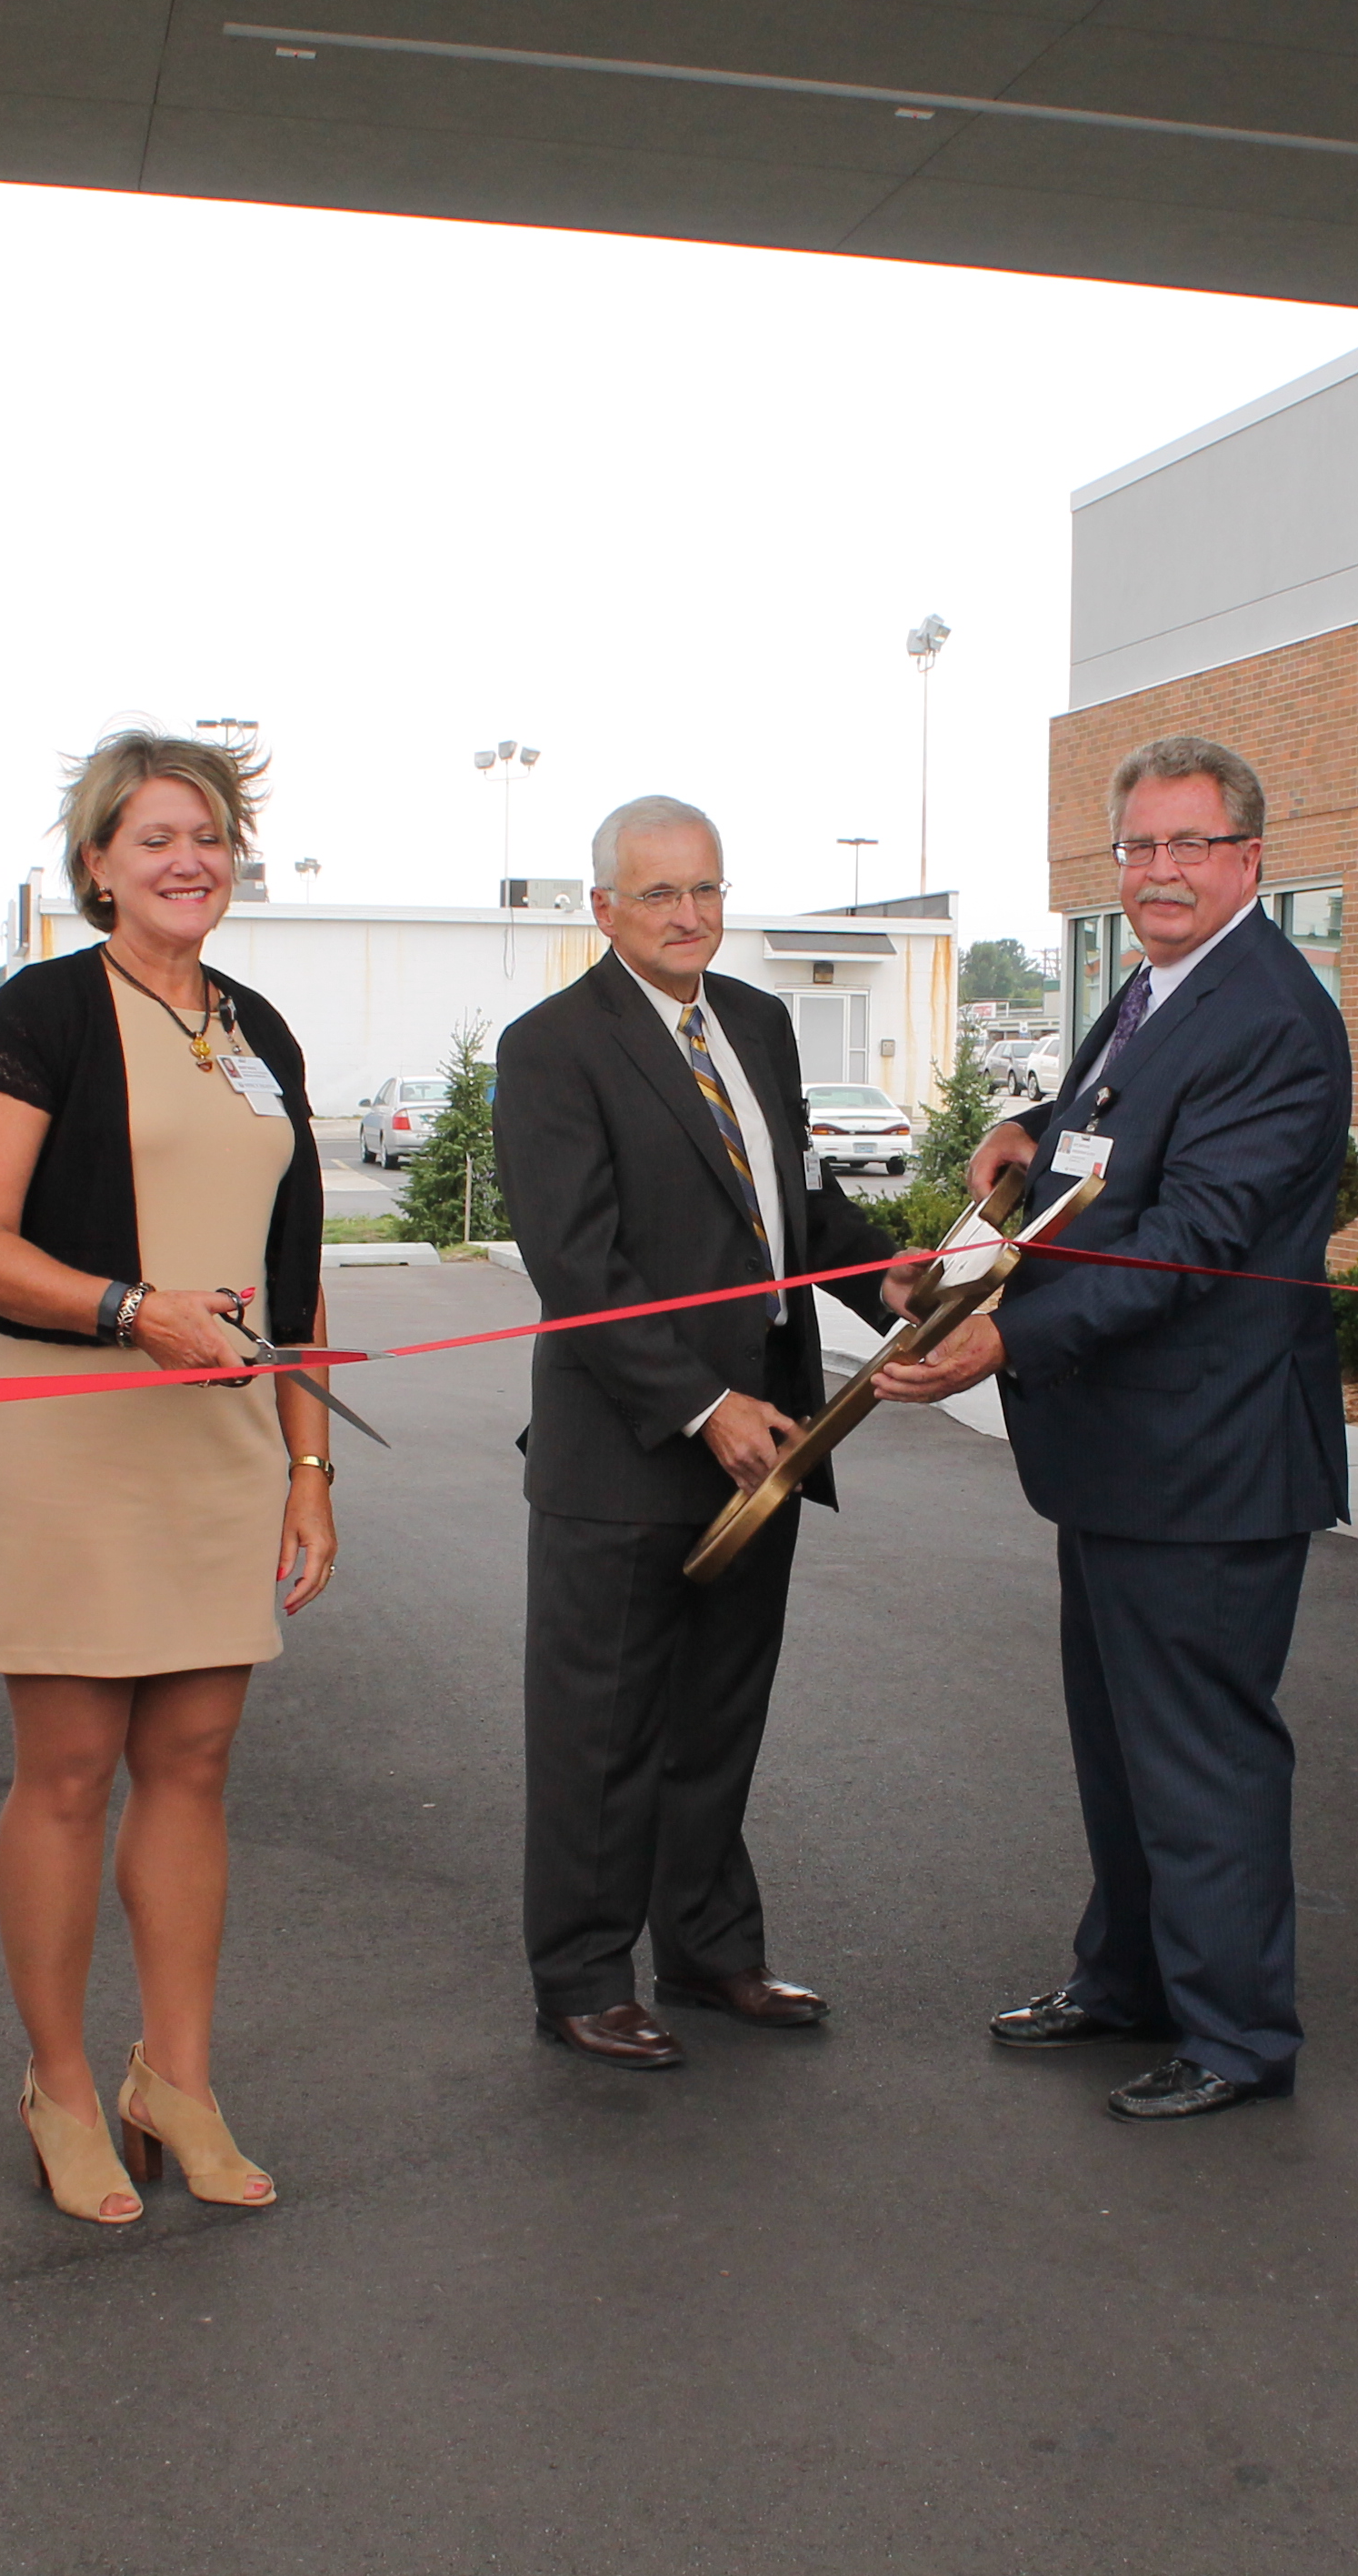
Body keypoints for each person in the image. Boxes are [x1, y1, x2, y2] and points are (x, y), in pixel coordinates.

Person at [877, 736, 1351, 2122]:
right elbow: (1123, 1138)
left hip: (1208, 1459)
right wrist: (1030, 1122)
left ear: (1249, 860)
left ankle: (1239, 2035)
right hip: (1128, 1455)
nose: (1160, 872)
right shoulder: (1157, 990)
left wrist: (1002, 1336)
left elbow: (1197, 1236)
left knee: (1201, 1749)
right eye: (1139, 848)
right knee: (1122, 1739)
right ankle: (1133, 1975)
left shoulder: (1266, 1010)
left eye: (1190, 846)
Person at [0, 731, 333, 2216]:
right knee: (71, 1770)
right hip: (73, 1420)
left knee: (195, 1763)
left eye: (211, 835)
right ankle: (54, 2083)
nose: (190, 860)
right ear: (96, 860)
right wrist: (130, 1308)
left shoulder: (256, 1028)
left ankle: (176, 2076)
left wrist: (310, 1468)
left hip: (221, 1436)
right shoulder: (42, 1009)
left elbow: (295, 1273)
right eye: (156, 836)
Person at [492, 794, 890, 2070]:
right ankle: (582, 1975)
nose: (689, 916)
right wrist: (703, 1405)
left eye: (706, 890)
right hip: (630, 1453)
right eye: (659, 894)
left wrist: (900, 1286)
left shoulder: (759, 1027)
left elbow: (796, 1209)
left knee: (721, 1714)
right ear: (603, 907)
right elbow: (578, 1264)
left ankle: (712, 1950)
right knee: (601, 1733)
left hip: (775, 1443)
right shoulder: (554, 1046)